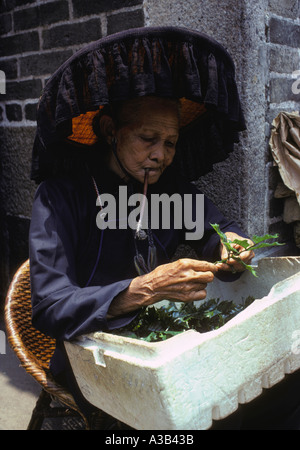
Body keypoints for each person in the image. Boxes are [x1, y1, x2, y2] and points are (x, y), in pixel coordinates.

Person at [29, 27, 300, 430]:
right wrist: (145, 289)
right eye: (147, 138)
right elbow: (51, 306)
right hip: (97, 366)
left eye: (171, 143)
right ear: (110, 131)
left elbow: (218, 229)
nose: (161, 155)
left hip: (165, 352)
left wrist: (234, 246)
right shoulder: (60, 198)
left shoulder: (169, 191)